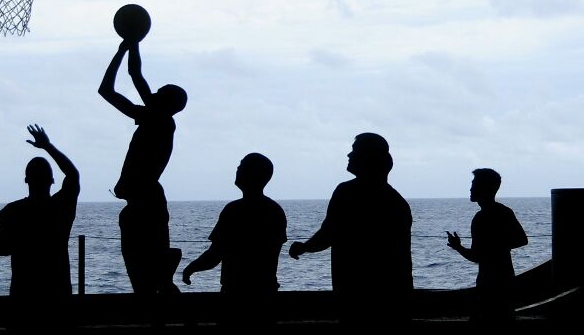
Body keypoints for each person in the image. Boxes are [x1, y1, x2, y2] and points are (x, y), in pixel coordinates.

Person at [288, 133, 413, 326]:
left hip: (354, 296)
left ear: (368, 159)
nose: (349, 155)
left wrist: (305, 247)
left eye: (355, 151)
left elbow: (328, 234)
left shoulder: (346, 193)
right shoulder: (396, 202)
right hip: (393, 299)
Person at [98, 39, 187, 294]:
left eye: (159, 93)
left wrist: (123, 49)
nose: (153, 94)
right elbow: (135, 74)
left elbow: (108, 90)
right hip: (146, 203)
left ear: (166, 102)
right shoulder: (158, 118)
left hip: (146, 204)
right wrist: (131, 44)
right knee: (153, 279)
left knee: (148, 280)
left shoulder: (158, 119)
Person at [0, 124, 80, 328]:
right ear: (52, 180)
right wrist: (48, 146)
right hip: (58, 292)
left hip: (23, 295)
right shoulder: (61, 207)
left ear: (25, 180)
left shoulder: (12, 211)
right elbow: (73, 175)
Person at [182, 153, 287, 326]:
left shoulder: (233, 211)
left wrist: (191, 268)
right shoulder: (275, 211)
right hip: (266, 294)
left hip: (235, 294)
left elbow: (215, 254)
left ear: (252, 173)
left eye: (242, 166)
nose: (238, 169)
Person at [446, 168, 528, 324]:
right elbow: (522, 240)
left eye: (474, 184)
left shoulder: (480, 218)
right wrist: (499, 246)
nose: (470, 188)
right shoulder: (504, 212)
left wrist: (458, 247)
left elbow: (476, 256)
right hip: (506, 281)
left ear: (485, 188)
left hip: (488, 284)